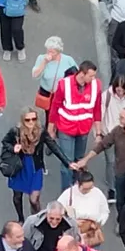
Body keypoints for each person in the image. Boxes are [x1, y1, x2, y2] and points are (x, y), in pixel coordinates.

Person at [74, 104, 125, 213]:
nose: (119, 119)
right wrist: (86, 159)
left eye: (122, 117)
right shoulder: (117, 131)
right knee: (120, 200)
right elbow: (102, 145)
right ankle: (121, 221)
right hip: (120, 172)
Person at [1, 108, 70, 221]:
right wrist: (13, 148)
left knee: (34, 199)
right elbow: (5, 142)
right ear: (23, 120)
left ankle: (38, 219)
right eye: (27, 120)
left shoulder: (41, 131)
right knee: (17, 196)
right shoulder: (16, 131)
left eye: (34, 119)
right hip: (19, 166)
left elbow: (53, 145)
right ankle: (21, 219)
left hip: (34, 166)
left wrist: (67, 162)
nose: (31, 122)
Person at [48, 62, 103, 190]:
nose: (93, 79)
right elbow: (55, 107)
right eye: (91, 76)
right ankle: (67, 192)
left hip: (83, 130)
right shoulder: (64, 85)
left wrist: (98, 132)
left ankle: (77, 185)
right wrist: (51, 129)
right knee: (67, 163)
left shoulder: (96, 86)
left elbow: (97, 109)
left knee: (80, 160)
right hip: (66, 128)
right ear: (82, 74)